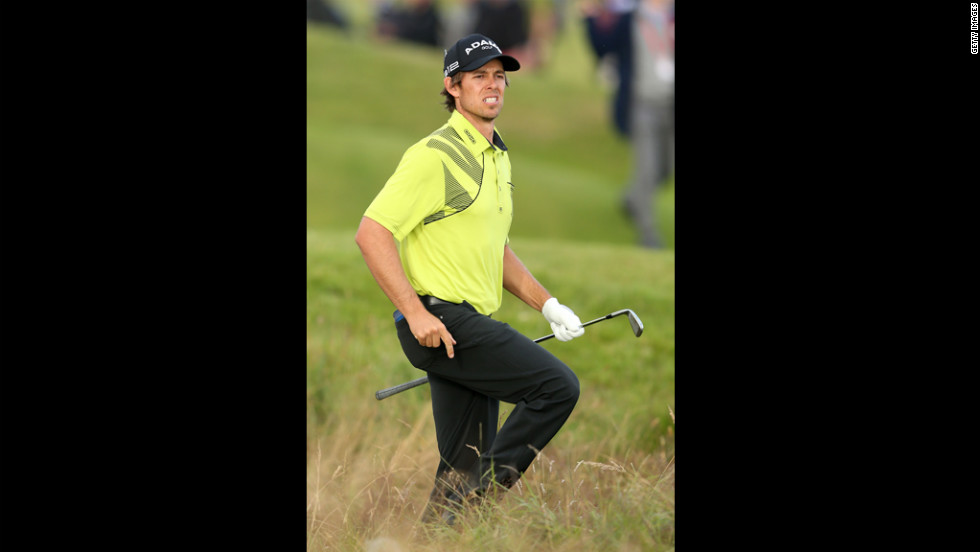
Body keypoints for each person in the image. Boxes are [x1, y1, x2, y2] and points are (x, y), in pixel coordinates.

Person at [355, 33, 586, 525]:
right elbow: (372, 232)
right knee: (557, 387)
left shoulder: (497, 156)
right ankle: (473, 510)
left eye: (499, 76)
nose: (493, 85)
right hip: (441, 321)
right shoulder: (434, 154)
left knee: (460, 466)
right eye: (479, 76)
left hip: (465, 325)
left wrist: (548, 304)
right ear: (452, 87)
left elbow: (494, 249)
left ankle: (443, 530)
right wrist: (415, 313)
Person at [583, 0, 674, 248]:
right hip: (641, 106)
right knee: (646, 170)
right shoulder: (630, 18)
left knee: (666, 169)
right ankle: (648, 235)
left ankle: (632, 197)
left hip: (671, 105)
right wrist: (590, 20)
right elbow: (604, 49)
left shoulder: (671, 16)